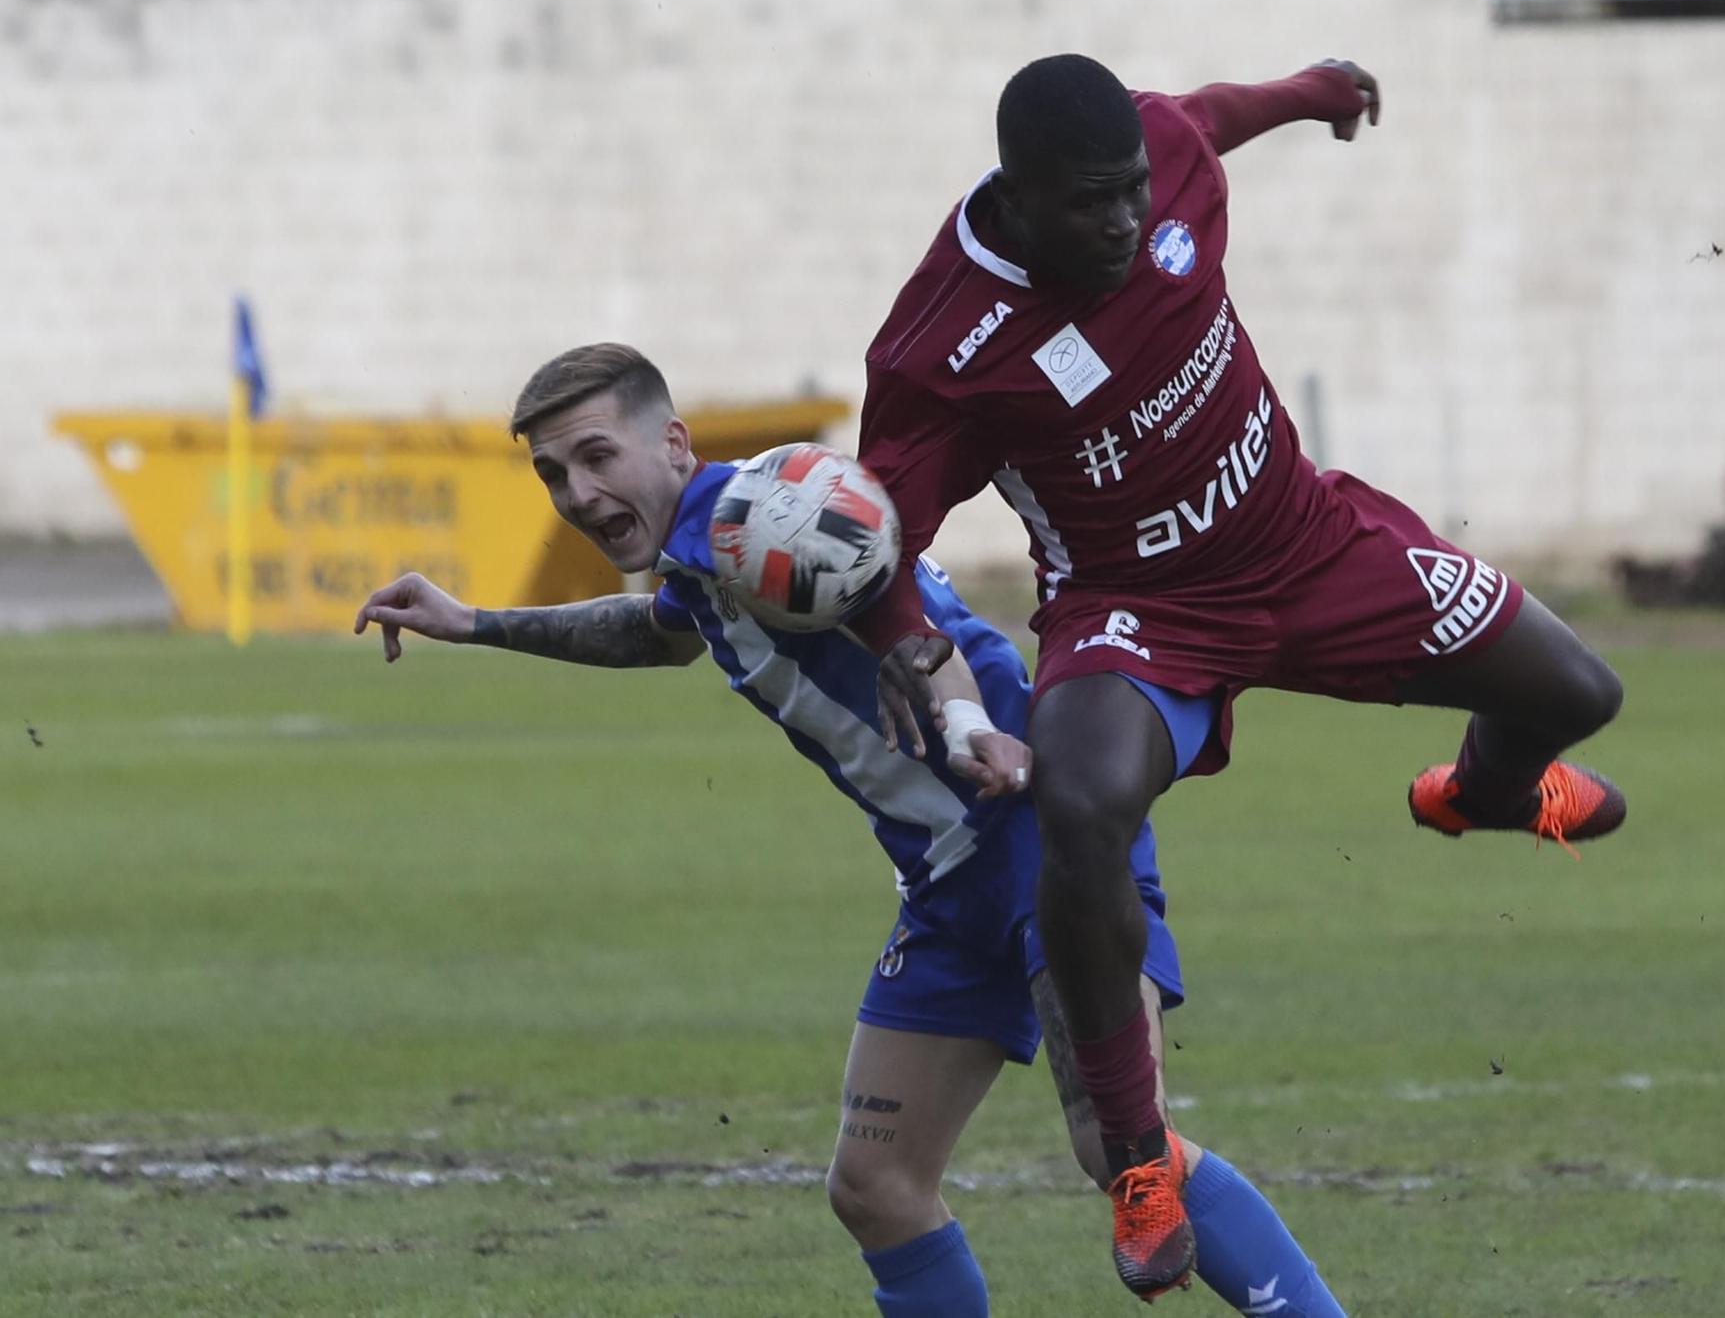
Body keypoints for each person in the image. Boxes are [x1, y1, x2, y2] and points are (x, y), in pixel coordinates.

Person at [848, 55, 1629, 1297]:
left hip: (1309, 544)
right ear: (1019, 192)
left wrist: (1313, 91)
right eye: (1091, 204)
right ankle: (1139, 1157)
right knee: (1081, 805)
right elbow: (873, 524)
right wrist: (899, 634)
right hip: (1135, 613)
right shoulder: (944, 347)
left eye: (1131, 194)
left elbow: (1204, 117)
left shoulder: (1157, 163)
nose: (1123, 220)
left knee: (1578, 693)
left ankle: (1478, 792)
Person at [354, 343, 1347, 1316]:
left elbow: (907, 624)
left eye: (595, 456)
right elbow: (659, 635)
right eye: (552, 473)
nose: (574, 492)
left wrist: (966, 726)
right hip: (953, 879)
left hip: (1033, 835)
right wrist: (477, 621)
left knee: (1119, 1145)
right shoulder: (714, 549)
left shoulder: (754, 520)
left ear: (673, 443)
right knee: (875, 1185)